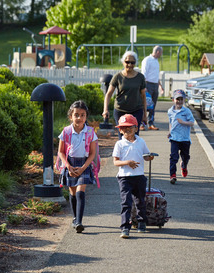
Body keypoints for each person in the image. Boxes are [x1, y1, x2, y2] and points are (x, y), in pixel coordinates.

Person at [58, 101, 98, 233]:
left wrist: (83, 167)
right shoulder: (66, 132)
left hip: (84, 165)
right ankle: (75, 218)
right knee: (73, 192)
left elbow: (92, 153)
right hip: (70, 164)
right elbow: (61, 151)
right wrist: (68, 166)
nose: (79, 118)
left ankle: (79, 222)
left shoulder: (90, 132)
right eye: (76, 115)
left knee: (81, 192)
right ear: (70, 116)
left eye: (82, 115)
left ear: (86, 117)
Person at [112, 114, 154, 238]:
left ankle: (141, 222)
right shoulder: (119, 144)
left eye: (129, 127)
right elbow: (116, 162)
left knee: (140, 200)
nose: (126, 130)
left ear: (136, 128)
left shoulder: (141, 142)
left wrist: (149, 157)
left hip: (139, 175)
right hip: (124, 177)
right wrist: (127, 163)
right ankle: (125, 227)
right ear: (120, 130)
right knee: (126, 202)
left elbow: (146, 155)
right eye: (123, 128)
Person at [103, 51, 147, 137]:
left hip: (136, 110)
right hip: (120, 110)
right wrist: (105, 109)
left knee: (134, 136)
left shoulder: (140, 77)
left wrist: (145, 114)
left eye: (132, 62)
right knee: (122, 137)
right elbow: (108, 94)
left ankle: (134, 151)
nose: (129, 64)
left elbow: (143, 96)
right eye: (127, 62)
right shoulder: (118, 77)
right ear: (123, 62)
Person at [167, 89, 195, 184]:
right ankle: (172, 175)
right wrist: (170, 132)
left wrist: (183, 122)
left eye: (181, 99)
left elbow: (192, 123)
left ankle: (184, 165)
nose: (179, 101)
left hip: (184, 138)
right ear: (173, 100)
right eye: (177, 99)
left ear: (184, 100)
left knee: (185, 156)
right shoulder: (170, 111)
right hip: (174, 138)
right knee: (173, 157)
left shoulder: (186, 111)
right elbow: (171, 123)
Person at [141, 45, 164, 131]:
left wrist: (160, 86)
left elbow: (156, 75)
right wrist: (144, 86)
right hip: (148, 84)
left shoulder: (156, 61)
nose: (161, 55)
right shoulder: (147, 60)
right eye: (161, 53)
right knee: (145, 105)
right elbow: (144, 73)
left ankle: (151, 123)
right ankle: (142, 124)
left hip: (155, 85)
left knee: (152, 106)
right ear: (158, 52)